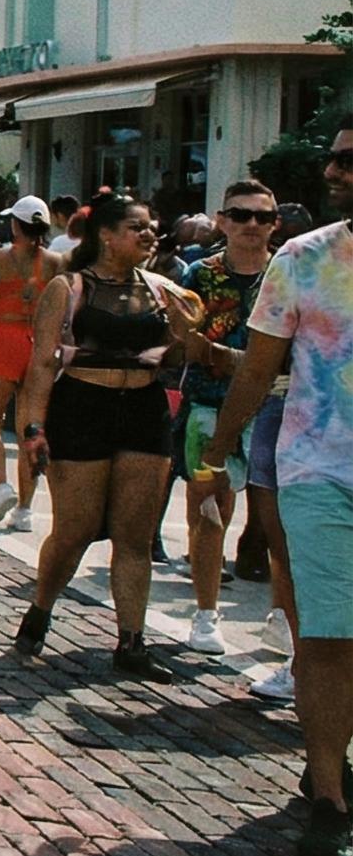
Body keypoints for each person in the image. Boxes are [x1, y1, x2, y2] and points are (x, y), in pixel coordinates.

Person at [204, 126, 353, 856]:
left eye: (349, 160)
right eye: (336, 155)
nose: (333, 171)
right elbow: (259, 371)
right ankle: (328, 796)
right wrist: (211, 450)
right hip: (318, 472)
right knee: (325, 635)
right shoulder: (303, 258)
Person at [11, 192, 203, 681]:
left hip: (143, 409)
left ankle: (131, 641)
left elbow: (185, 352)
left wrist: (187, 335)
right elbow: (40, 367)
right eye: (137, 227)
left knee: (134, 535)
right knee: (75, 530)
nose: (149, 234)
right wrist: (33, 428)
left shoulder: (161, 289)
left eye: (151, 226)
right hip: (81, 407)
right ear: (106, 236)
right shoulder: (67, 287)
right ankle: (41, 606)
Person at [174, 180, 281, 654]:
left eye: (262, 216)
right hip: (208, 404)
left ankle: (281, 615)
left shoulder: (286, 273)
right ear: (222, 220)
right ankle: (205, 613)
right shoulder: (200, 275)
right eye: (240, 215)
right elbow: (184, 342)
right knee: (209, 511)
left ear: (274, 223)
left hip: (274, 406)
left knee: (278, 519)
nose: (251, 225)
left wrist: (222, 355)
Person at [0, 195, 58, 530]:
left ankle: (2, 486)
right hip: (39, 344)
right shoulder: (55, 262)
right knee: (29, 430)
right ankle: (25, 510)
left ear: (16, 225)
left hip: (5, 337)